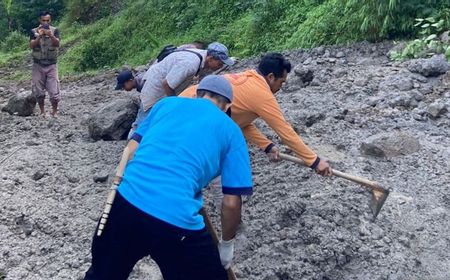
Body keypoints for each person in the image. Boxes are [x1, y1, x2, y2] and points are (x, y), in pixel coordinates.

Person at [84, 75, 253, 280]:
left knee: (103, 275)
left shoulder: (166, 104)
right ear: (227, 106)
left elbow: (131, 150)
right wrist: (227, 244)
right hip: (176, 220)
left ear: (197, 94)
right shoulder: (232, 131)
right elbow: (232, 203)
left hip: (124, 204)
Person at [180, 53, 332, 176]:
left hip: (181, 109)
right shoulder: (261, 94)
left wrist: (267, 146)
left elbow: (241, 123)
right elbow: (285, 132)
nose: (281, 87)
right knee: (215, 178)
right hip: (192, 120)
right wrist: (314, 161)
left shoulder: (249, 79)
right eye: (282, 82)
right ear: (271, 77)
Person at [128, 42, 234, 136]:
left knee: (161, 120)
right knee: (144, 120)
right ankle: (131, 148)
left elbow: (202, 82)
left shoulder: (203, 59)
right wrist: (175, 104)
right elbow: (167, 84)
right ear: (210, 58)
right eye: (219, 64)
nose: (220, 66)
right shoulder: (190, 64)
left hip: (164, 83)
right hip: (155, 86)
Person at [29, 11, 61, 118]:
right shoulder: (33, 31)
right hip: (38, 65)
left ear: (50, 20)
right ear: (40, 20)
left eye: (47, 20)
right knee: (38, 90)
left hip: (51, 64)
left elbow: (57, 44)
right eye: (43, 20)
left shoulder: (55, 30)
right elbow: (31, 45)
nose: (45, 22)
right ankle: (42, 111)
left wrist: (51, 36)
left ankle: (55, 111)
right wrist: (39, 36)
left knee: (54, 90)